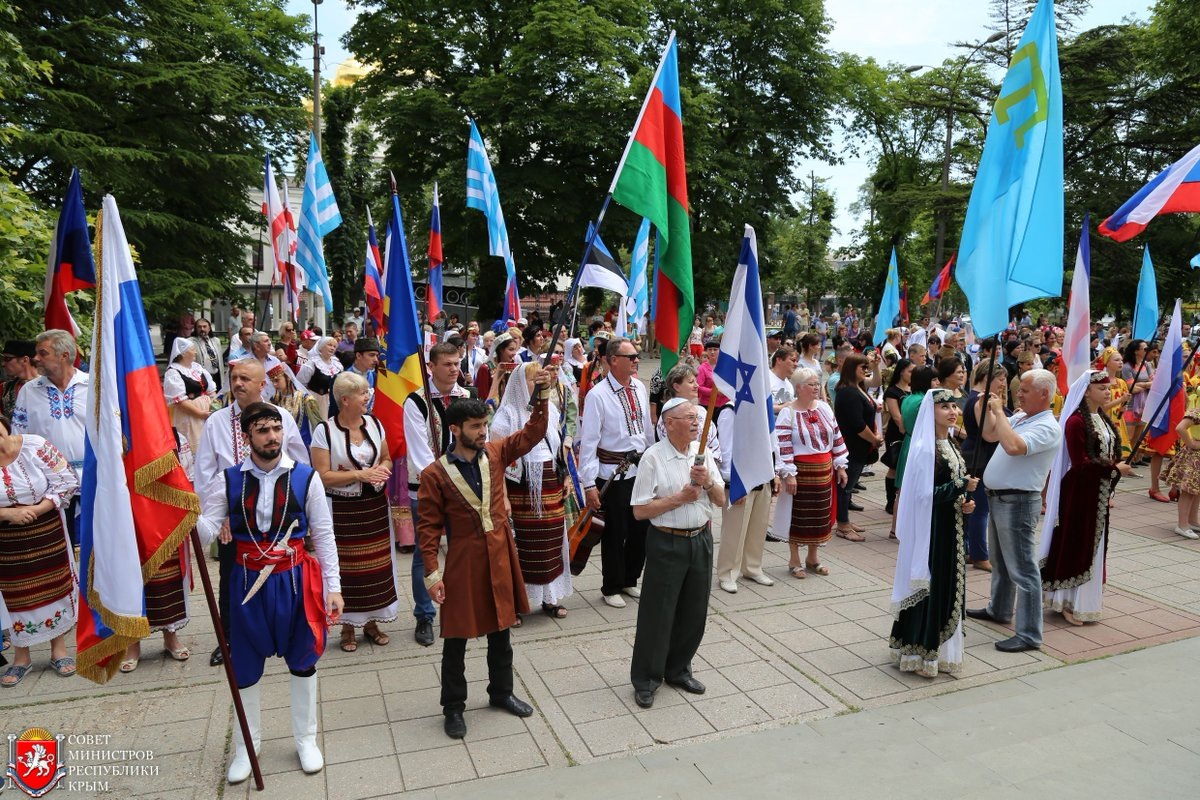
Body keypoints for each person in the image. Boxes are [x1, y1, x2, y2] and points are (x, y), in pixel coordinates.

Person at [195, 402, 342, 781]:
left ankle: (306, 739)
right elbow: (207, 529)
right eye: (262, 430)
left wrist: (334, 588)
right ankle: (248, 745)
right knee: (243, 667)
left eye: (276, 428)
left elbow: (323, 537)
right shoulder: (227, 480)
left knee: (304, 659)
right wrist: (185, 520)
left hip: (295, 581)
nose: (272, 436)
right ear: (247, 438)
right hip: (245, 584)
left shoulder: (305, 477)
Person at [417, 384, 552, 739]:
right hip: (463, 559)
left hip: (500, 554)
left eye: (484, 425)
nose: (482, 432)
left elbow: (534, 432)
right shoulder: (435, 473)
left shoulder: (495, 452)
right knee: (456, 637)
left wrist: (541, 396)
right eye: (475, 426)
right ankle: (453, 707)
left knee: (501, 631)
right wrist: (432, 574)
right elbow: (428, 527)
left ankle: (501, 693)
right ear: (455, 429)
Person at [193, 359, 309, 668]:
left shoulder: (281, 416)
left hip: (279, 515)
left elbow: (298, 461)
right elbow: (205, 472)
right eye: (234, 377)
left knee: (283, 576)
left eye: (246, 378)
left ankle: (281, 631)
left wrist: (294, 509)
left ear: (262, 385)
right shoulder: (216, 422)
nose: (238, 382)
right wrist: (217, 517)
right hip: (233, 519)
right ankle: (229, 639)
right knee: (232, 578)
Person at [629, 397, 726, 708]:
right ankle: (646, 678)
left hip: (700, 539)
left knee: (693, 611)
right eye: (689, 417)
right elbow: (640, 511)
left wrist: (709, 482)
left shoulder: (704, 454)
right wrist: (679, 498)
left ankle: (678, 669)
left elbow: (722, 500)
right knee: (659, 612)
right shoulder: (653, 458)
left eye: (698, 417)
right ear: (669, 423)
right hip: (667, 541)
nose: (697, 422)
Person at [966, 369, 1062, 652]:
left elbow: (1012, 446)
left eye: (1024, 390)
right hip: (1000, 498)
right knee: (1002, 561)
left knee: (1023, 569)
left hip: (1019, 501)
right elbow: (990, 433)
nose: (1018, 394)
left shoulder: (1047, 426)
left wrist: (998, 409)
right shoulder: (1022, 416)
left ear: (1044, 394)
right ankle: (1000, 608)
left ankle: (1030, 633)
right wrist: (985, 406)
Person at [889, 389, 978, 678]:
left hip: (950, 525)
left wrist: (964, 503)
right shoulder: (926, 448)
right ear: (931, 412)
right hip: (935, 531)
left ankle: (935, 650)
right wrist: (960, 486)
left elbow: (948, 487)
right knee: (934, 584)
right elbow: (923, 495)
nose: (952, 411)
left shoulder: (950, 443)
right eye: (944, 407)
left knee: (947, 583)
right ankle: (923, 650)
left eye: (954, 406)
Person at [311, 372, 398, 653]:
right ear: (345, 400)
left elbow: (385, 457)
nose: (367, 397)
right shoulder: (324, 431)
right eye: (362, 394)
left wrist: (383, 472)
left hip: (373, 507)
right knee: (346, 568)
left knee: (375, 567)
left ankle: (372, 623)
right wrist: (361, 475)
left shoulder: (374, 423)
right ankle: (347, 626)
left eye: (366, 392)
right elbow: (321, 475)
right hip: (342, 510)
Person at [1040, 371, 1133, 626]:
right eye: (1101, 388)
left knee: (1095, 544)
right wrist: (1114, 470)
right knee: (1076, 542)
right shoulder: (1075, 422)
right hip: (1079, 491)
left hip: (1098, 491)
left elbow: (1106, 454)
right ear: (1087, 390)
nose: (1107, 392)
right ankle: (1066, 601)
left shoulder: (1102, 418)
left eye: (1108, 388)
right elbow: (1080, 462)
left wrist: (1114, 467)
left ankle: (1085, 600)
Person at [0, 415, 79, 687]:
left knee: (54, 586)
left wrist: (36, 509)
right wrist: (7, 516)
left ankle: (59, 649)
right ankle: (21, 657)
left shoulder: (36, 446)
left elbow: (67, 480)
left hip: (45, 529)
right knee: (15, 595)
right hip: (6, 542)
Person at [404, 342, 473, 646]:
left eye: (456, 363)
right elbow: (420, 453)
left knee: (464, 548)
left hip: (464, 490)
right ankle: (424, 614)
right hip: (428, 491)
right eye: (447, 364)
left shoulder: (466, 397)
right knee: (425, 552)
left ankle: (461, 605)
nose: (454, 369)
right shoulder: (416, 402)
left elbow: (476, 442)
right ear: (431, 367)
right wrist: (446, 482)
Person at [491, 362, 573, 619]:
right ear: (518, 384)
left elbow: (557, 447)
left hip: (550, 485)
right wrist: (502, 495)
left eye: (541, 379)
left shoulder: (549, 410)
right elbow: (496, 463)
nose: (539, 384)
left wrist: (566, 476)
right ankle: (515, 603)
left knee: (551, 542)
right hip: (519, 489)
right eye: (532, 380)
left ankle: (549, 597)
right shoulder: (505, 417)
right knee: (520, 546)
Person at [578, 337, 653, 608]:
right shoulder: (598, 395)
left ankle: (630, 579)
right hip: (612, 472)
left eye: (636, 355)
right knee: (614, 532)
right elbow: (589, 442)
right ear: (612, 361)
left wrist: (654, 460)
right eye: (630, 356)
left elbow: (646, 430)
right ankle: (611, 585)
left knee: (640, 529)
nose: (636, 360)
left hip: (639, 470)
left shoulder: (639, 389)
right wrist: (588, 484)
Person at [12, 330, 89, 543]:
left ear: (64, 355)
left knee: (94, 545)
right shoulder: (29, 391)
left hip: (93, 480)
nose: (36, 358)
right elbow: (18, 438)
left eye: (42, 353)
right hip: (49, 485)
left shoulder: (93, 386)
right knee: (59, 545)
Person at [775, 368, 849, 578]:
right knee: (798, 515)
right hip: (801, 471)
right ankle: (794, 559)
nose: (817, 388)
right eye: (811, 384)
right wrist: (789, 473)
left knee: (819, 514)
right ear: (799, 387)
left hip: (824, 470)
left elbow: (836, 437)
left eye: (817, 384)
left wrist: (841, 465)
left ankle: (813, 557)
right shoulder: (787, 413)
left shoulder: (825, 408)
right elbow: (783, 444)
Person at [961, 361, 1009, 572]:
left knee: (977, 507)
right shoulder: (980, 400)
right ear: (989, 378)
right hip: (979, 457)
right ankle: (979, 554)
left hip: (978, 455)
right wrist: (1006, 425)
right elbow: (989, 435)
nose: (1003, 383)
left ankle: (973, 549)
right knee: (980, 508)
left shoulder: (980, 398)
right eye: (1001, 379)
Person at [833, 354, 881, 541]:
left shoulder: (858, 387)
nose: (866, 370)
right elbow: (857, 424)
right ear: (852, 368)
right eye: (863, 367)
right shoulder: (848, 392)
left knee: (849, 485)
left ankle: (844, 519)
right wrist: (874, 440)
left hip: (859, 446)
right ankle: (842, 525)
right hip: (852, 445)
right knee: (845, 486)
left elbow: (876, 380)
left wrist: (876, 366)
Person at [163, 337, 216, 453]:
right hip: (189, 415)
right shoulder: (173, 372)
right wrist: (201, 414)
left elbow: (211, 390)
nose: (195, 352)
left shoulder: (197, 368)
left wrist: (215, 406)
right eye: (192, 349)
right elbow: (180, 402)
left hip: (207, 412)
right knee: (194, 447)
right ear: (183, 353)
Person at [881, 358, 913, 523]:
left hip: (910, 434)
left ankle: (900, 500)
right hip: (897, 434)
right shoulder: (892, 391)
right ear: (901, 371)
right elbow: (896, 416)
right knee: (894, 465)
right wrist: (909, 429)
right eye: (910, 371)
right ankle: (890, 500)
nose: (912, 374)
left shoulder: (914, 389)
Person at [1165, 406, 1200, 540]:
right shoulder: (1197, 410)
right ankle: (1182, 525)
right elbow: (1180, 428)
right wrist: (1191, 443)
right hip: (1195, 457)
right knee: (1189, 491)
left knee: (1196, 490)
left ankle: (1192, 520)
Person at [329, 337, 379, 418]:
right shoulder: (340, 379)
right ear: (358, 356)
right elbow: (334, 409)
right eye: (371, 355)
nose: (376, 360)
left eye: (377, 356)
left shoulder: (376, 378)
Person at [297, 336, 343, 420]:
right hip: (317, 400)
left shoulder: (337, 364)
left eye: (334, 346)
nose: (332, 348)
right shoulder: (312, 364)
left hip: (335, 401)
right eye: (329, 345)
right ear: (321, 347)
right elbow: (300, 384)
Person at [1, 340, 37, 418]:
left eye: (7, 359)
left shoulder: (48, 386)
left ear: (25, 360)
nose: (3, 364)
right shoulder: (4, 389)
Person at [695, 339, 728, 408]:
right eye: (710, 349)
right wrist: (715, 392)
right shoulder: (702, 368)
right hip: (707, 403)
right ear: (706, 351)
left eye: (715, 349)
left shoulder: (727, 366)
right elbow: (699, 387)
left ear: (720, 351)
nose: (712, 352)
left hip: (725, 403)